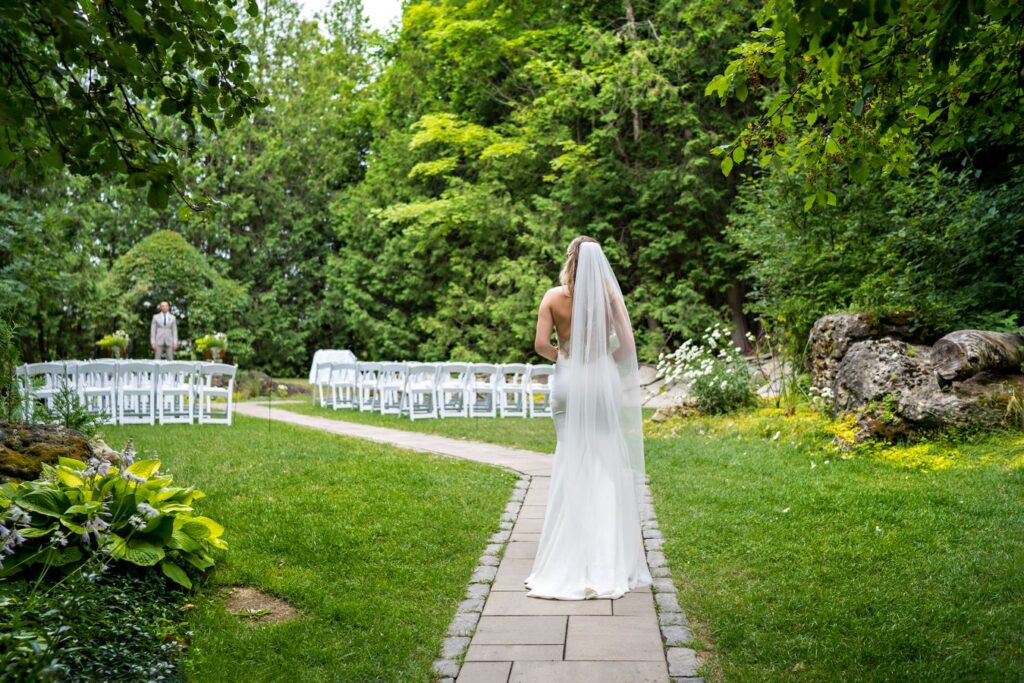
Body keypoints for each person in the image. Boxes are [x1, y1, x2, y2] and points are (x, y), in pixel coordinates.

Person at [525, 236, 652, 600]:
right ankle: (608, 557)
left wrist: (565, 357)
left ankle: (565, 557)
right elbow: (627, 348)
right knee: (605, 459)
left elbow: (540, 345)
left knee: (570, 456)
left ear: (570, 260)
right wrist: (600, 362)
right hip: (601, 381)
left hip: (569, 381)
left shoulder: (553, 297)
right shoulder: (609, 299)